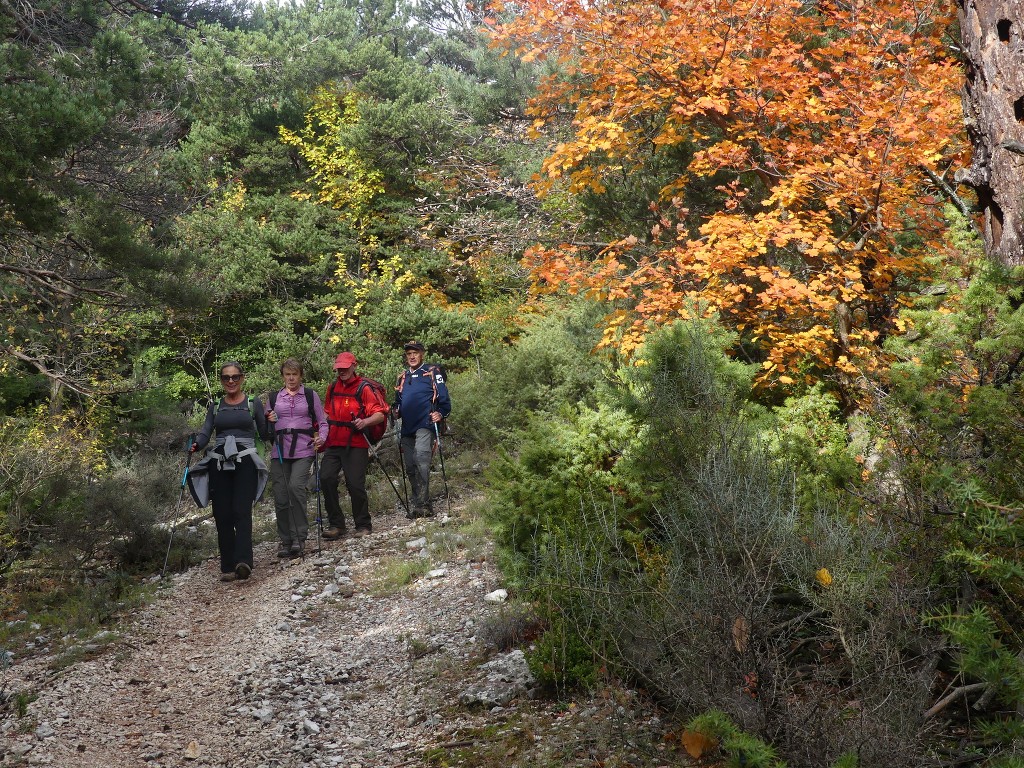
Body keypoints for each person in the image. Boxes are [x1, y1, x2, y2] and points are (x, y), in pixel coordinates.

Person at [190, 362, 270, 582]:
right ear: (221, 381)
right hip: (219, 462)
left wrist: (273, 424)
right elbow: (207, 432)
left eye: (235, 377)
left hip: (246, 462)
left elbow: (264, 433)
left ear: (242, 378)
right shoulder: (216, 406)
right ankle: (227, 565)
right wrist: (197, 444)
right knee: (222, 513)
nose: (231, 381)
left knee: (241, 510)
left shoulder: (253, 404)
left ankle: (243, 562)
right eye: (226, 378)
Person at [319, 351, 389, 539]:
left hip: (356, 443)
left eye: (345, 367)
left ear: (353, 366)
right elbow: (326, 413)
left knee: (355, 484)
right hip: (334, 442)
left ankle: (363, 524)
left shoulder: (364, 388)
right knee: (326, 478)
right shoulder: (332, 387)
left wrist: (364, 422)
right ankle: (337, 525)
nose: (341, 371)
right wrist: (318, 431)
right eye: (338, 368)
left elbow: (380, 414)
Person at [266, 358, 328, 559]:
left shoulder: (310, 395)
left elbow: (322, 422)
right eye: (287, 374)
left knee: (296, 488)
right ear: (283, 376)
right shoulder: (274, 397)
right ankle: (286, 540)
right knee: (281, 496)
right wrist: (268, 422)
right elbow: (266, 425)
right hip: (280, 452)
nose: (291, 378)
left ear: (300, 375)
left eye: (294, 374)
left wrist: (322, 439)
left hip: (304, 449)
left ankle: (299, 537)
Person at [392, 340, 451, 518]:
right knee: (410, 466)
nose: (411, 356)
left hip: (426, 424)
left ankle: (424, 505)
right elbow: (398, 402)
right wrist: (395, 411)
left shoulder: (432, 372)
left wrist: (440, 413)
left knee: (421, 459)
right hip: (407, 427)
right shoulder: (402, 376)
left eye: (415, 353)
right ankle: (418, 503)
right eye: (409, 353)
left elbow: (444, 398)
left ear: (422, 354)